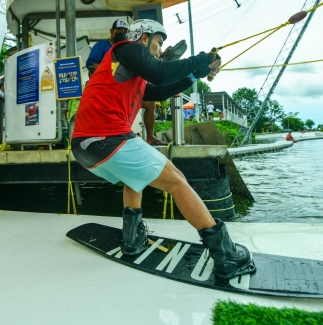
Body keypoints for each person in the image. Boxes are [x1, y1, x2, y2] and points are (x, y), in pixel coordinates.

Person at [71, 19, 255, 280]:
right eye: (157, 43)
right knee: (177, 180)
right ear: (143, 38)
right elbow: (158, 71)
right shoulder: (127, 48)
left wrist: (195, 74)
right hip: (105, 135)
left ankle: (133, 239)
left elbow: (159, 90)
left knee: (134, 178)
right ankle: (226, 255)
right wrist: (201, 59)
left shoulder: (132, 72)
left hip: (87, 144)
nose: (158, 50)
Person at [86, 18, 167, 146]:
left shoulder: (131, 48)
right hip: (108, 89)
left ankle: (150, 137)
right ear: (112, 31)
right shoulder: (103, 45)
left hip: (128, 88)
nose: (122, 33)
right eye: (119, 30)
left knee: (150, 104)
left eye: (125, 31)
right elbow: (91, 63)